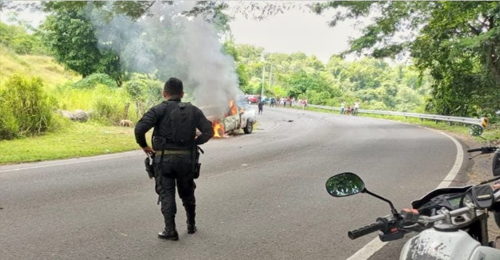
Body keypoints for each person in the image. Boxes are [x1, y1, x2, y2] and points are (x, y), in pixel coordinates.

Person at [135, 77, 214, 241]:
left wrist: (144, 146)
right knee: (187, 192)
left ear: (164, 93)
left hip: (164, 161)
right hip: (187, 161)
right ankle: (191, 225)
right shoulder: (193, 110)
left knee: (166, 193)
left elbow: (139, 129)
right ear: (183, 94)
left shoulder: (159, 109)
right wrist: (194, 142)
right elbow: (209, 131)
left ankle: (170, 230)